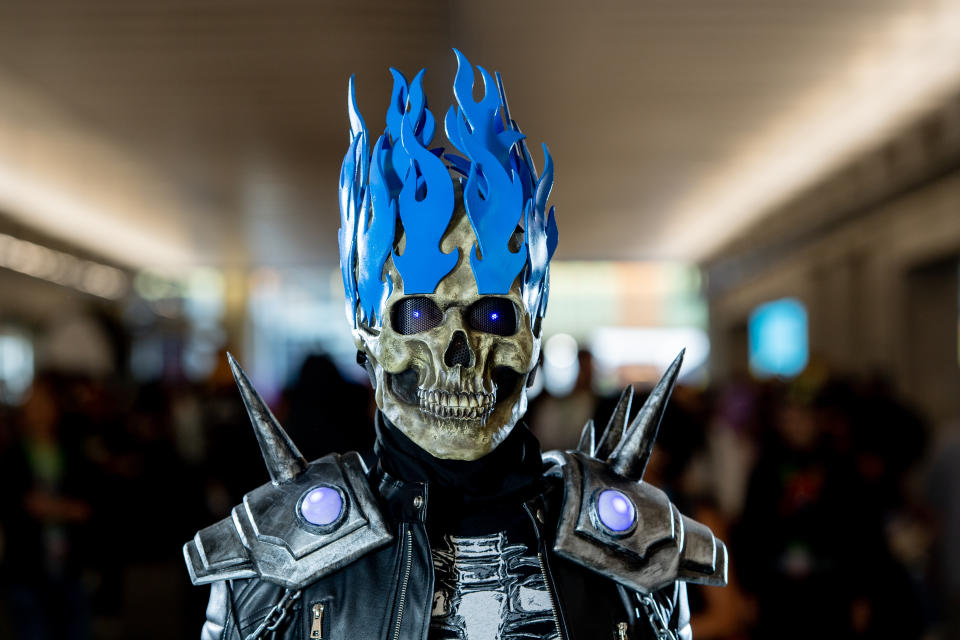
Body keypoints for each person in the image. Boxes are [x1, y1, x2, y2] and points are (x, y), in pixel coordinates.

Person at [184, 50, 727, 639]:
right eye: (416, 313)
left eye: (494, 313)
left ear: (533, 335)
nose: (458, 352)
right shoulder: (277, 554)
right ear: (368, 334)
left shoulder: (636, 547)